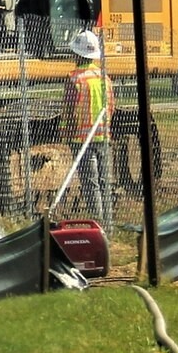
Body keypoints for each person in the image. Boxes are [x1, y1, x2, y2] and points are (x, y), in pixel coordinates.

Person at [62, 29, 114, 223]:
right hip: (103, 136)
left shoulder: (75, 78)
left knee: (90, 183)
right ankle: (107, 223)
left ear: (77, 54)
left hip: (81, 138)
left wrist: (65, 132)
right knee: (103, 181)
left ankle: (98, 224)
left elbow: (68, 109)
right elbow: (111, 106)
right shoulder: (104, 78)